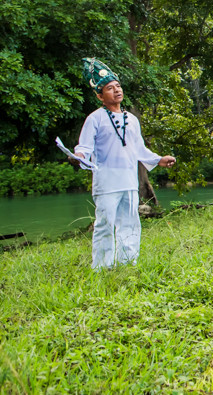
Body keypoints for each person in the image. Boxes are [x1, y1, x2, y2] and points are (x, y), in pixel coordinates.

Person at [70, 58, 176, 269]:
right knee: (105, 225)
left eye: (118, 86)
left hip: (129, 181)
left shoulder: (132, 119)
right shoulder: (95, 118)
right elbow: (84, 147)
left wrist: (158, 160)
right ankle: (102, 267)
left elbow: (139, 149)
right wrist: (79, 156)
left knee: (130, 224)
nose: (116, 90)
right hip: (106, 182)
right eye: (110, 88)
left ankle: (127, 263)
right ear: (100, 96)